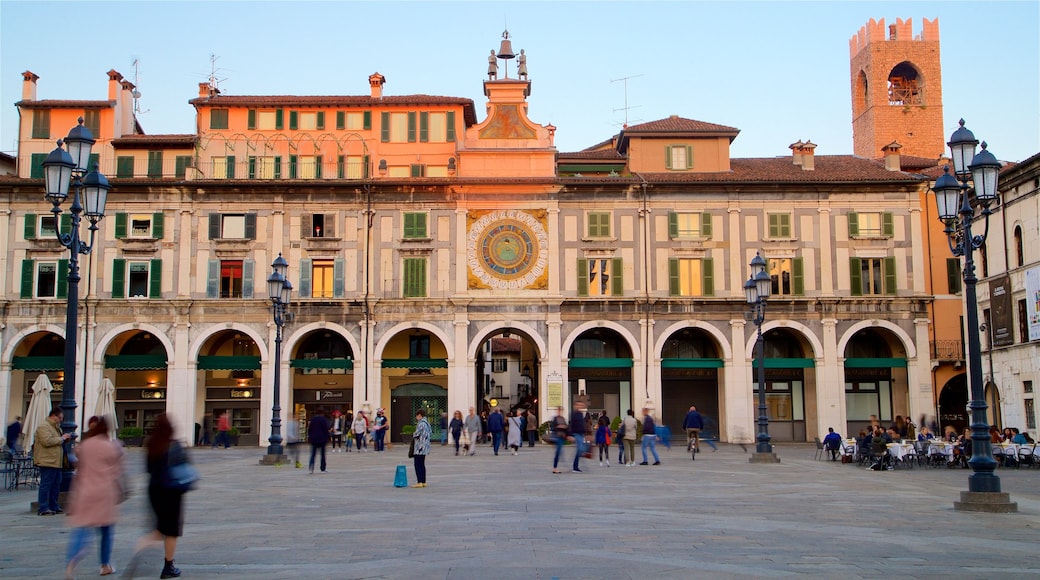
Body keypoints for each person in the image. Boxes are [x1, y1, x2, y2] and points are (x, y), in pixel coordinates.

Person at [64, 416, 124, 578]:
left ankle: (71, 565)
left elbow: (78, 467)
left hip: (85, 492)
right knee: (106, 530)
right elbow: (117, 471)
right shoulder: (111, 447)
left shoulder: (84, 446)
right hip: (105, 493)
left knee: (81, 530)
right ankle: (105, 565)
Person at [127, 413, 186, 579]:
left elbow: (148, 469)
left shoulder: (151, 444)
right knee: (171, 531)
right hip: (172, 491)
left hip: (154, 490)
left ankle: (143, 545)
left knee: (160, 529)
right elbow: (184, 468)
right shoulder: (174, 445)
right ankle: (168, 565)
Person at [34, 406, 72, 516]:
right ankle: (43, 507)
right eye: (59, 418)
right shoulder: (44, 427)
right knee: (46, 484)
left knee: (56, 484)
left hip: (56, 461)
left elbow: (56, 442)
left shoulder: (56, 428)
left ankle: (53, 505)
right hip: (47, 461)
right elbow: (47, 441)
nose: (60, 420)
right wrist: (62, 438)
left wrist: (65, 440)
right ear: (53, 416)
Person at [410, 409, 431, 488]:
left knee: (417, 464)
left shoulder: (421, 424)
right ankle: (424, 481)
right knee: (422, 464)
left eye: (416, 416)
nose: (416, 418)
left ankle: (419, 481)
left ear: (419, 415)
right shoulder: (427, 423)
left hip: (419, 447)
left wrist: (413, 434)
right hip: (425, 447)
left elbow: (416, 434)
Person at [308, 408, 330, 473]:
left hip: (314, 439)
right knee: (322, 454)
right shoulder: (324, 420)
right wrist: (327, 437)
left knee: (313, 454)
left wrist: (310, 437)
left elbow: (310, 429)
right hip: (322, 439)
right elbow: (326, 429)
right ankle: (323, 468)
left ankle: (311, 467)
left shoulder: (313, 420)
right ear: (322, 413)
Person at [570, 401, 588, 473]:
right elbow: (571, 424)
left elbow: (582, 424)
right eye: (579, 405)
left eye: (581, 405)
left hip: (581, 433)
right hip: (576, 433)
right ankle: (575, 467)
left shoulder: (580, 414)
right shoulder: (574, 414)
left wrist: (584, 433)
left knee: (580, 449)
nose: (580, 406)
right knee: (580, 448)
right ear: (576, 406)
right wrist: (571, 435)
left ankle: (575, 466)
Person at [550, 406, 568, 474]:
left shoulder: (563, 419)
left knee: (559, 451)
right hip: (557, 436)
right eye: (558, 410)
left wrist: (565, 428)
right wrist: (559, 426)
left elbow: (566, 427)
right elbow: (553, 427)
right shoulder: (555, 419)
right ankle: (555, 468)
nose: (559, 411)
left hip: (562, 437)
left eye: (560, 410)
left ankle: (557, 466)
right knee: (558, 452)